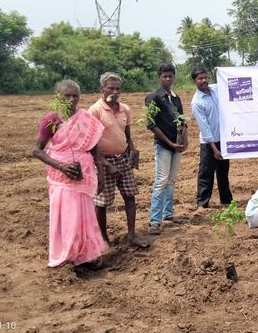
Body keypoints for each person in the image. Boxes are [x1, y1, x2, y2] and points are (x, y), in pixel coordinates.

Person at [32, 79, 106, 268]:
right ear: (58, 97)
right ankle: (68, 255)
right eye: (68, 95)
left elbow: (95, 150)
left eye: (75, 96)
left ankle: (86, 256)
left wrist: (101, 174)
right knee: (68, 216)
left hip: (84, 175)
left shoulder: (86, 119)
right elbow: (37, 150)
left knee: (85, 215)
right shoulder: (52, 119)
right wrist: (61, 166)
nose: (72, 99)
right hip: (62, 177)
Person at [88, 72, 149, 248]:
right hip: (102, 162)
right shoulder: (95, 111)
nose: (114, 92)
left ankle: (131, 235)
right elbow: (91, 143)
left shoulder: (125, 109)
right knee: (102, 203)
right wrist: (104, 164)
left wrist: (133, 151)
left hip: (122, 159)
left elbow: (127, 135)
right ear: (102, 89)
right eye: (110, 88)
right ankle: (104, 239)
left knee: (130, 196)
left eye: (117, 88)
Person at [145, 62, 188, 235]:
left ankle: (168, 214)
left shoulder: (176, 98)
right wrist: (170, 143)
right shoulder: (153, 97)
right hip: (163, 145)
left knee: (171, 180)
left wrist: (185, 140)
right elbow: (151, 124)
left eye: (170, 76)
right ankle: (154, 221)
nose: (168, 78)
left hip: (175, 146)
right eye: (164, 76)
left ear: (173, 77)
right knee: (161, 181)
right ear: (159, 78)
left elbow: (182, 121)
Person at [190, 67, 233, 209]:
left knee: (223, 171)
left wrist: (218, 73)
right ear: (194, 81)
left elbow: (226, 82)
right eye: (200, 79)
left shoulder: (215, 89)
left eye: (205, 77)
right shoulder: (197, 102)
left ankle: (226, 201)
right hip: (209, 143)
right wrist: (214, 149)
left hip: (223, 138)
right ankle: (202, 203)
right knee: (206, 173)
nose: (203, 81)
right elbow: (205, 128)